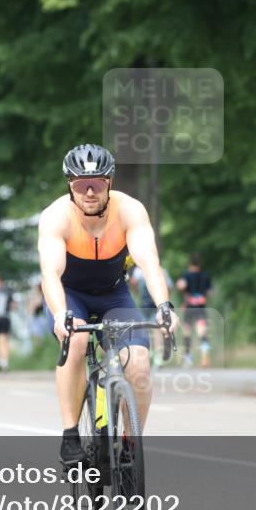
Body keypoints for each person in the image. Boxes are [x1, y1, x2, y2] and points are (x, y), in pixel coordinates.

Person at [37, 144, 179, 465]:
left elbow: (149, 262)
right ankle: (70, 435)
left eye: (98, 184)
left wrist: (164, 306)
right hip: (70, 293)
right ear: (69, 186)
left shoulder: (129, 210)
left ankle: (130, 444)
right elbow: (51, 273)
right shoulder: (55, 217)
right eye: (80, 184)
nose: (89, 192)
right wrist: (61, 314)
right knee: (77, 340)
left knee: (139, 362)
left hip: (114, 293)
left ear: (110, 183)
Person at [128, 264, 174, 364]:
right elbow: (170, 287)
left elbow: (133, 283)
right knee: (156, 329)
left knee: (144, 328)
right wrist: (165, 298)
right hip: (157, 304)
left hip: (144, 303)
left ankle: (149, 353)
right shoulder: (161, 270)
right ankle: (157, 356)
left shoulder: (138, 271)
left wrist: (137, 292)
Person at [176, 253, 213, 367]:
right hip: (201, 307)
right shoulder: (205, 275)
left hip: (189, 307)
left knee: (187, 332)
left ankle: (188, 358)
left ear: (190, 263)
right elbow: (210, 292)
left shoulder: (187, 275)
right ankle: (205, 355)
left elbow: (180, 286)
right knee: (202, 331)